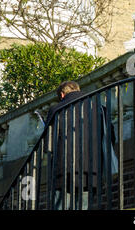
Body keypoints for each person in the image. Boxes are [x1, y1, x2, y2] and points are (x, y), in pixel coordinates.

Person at [45, 81, 93, 210]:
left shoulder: (56, 109)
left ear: (62, 94)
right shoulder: (96, 105)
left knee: (60, 205)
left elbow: (49, 144)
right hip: (90, 170)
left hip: (63, 169)